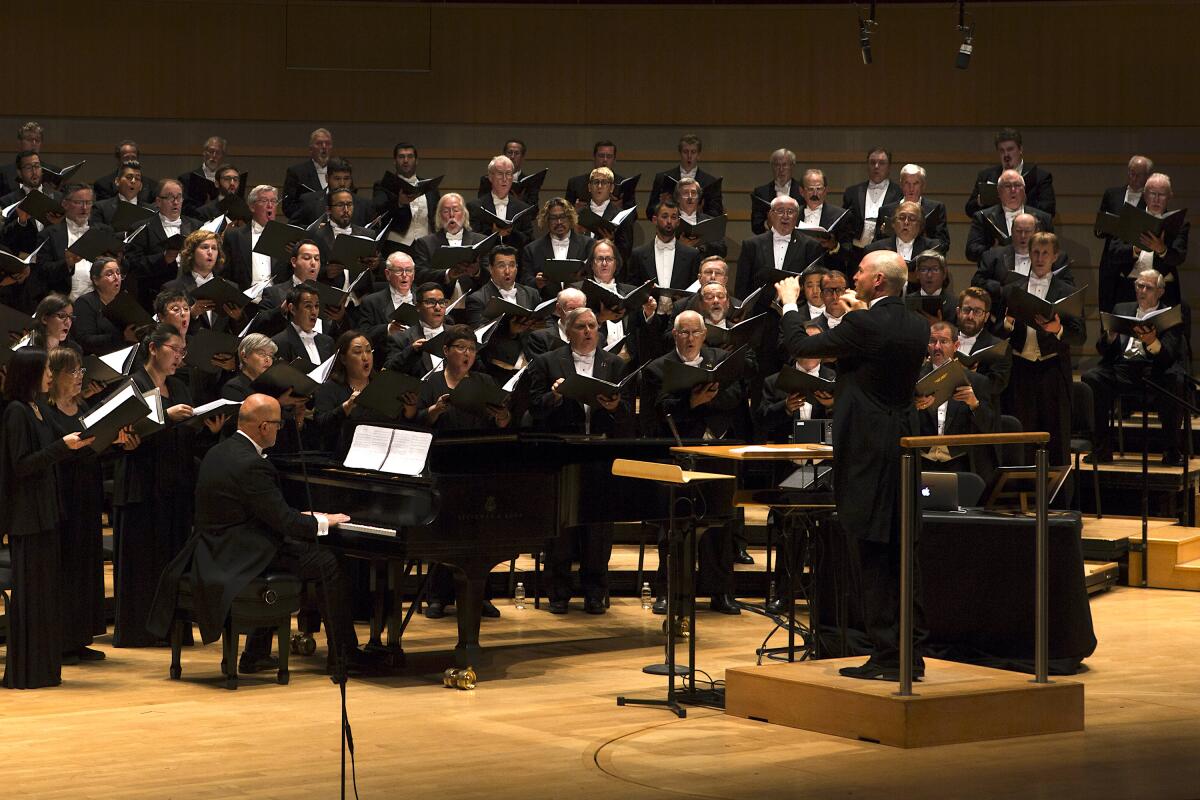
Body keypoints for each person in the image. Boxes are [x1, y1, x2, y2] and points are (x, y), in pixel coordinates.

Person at [775, 250, 930, 680]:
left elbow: (801, 345)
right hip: (901, 449)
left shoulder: (864, 325)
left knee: (872, 550)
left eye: (860, 271)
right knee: (902, 552)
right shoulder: (916, 324)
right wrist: (855, 315)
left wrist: (790, 303)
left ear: (878, 281)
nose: (853, 277)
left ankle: (885, 656)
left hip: (866, 452)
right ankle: (909, 654)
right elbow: (872, 352)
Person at [147, 393, 373, 673]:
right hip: (238, 555)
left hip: (211, 550)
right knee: (326, 561)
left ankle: (256, 652)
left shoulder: (220, 451)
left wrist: (297, 516)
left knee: (282, 548)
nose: (281, 429)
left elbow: (259, 511)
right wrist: (324, 522)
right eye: (278, 424)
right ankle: (344, 654)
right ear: (264, 427)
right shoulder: (253, 464)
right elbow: (284, 522)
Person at [112, 324, 223, 647]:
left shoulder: (179, 387)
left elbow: (184, 434)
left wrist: (207, 429)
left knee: (172, 558)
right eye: (174, 349)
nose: (179, 357)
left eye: (182, 351)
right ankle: (139, 631)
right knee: (142, 561)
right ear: (152, 348)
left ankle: (172, 629)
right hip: (141, 484)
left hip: (175, 484)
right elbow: (124, 432)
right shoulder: (133, 384)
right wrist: (165, 414)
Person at [641, 310, 749, 615]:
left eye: (695, 333)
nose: (690, 339)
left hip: (718, 451)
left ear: (705, 334)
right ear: (675, 335)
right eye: (684, 333)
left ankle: (721, 593)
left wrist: (708, 400)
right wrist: (691, 402)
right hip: (679, 452)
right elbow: (655, 413)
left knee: (721, 525)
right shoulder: (658, 369)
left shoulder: (721, 360)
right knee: (673, 527)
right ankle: (669, 592)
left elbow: (736, 394)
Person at [526, 307, 633, 613]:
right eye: (581, 326)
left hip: (600, 454)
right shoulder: (548, 362)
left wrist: (613, 407)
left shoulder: (613, 364)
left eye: (593, 326)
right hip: (563, 453)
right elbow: (533, 408)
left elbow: (627, 414)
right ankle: (558, 593)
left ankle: (595, 592)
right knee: (561, 527)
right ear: (568, 331)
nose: (588, 331)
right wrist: (555, 396)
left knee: (599, 528)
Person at [1, 347, 95, 688]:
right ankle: (26, 672)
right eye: (45, 371)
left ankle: (43, 667)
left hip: (46, 512)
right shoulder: (16, 412)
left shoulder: (37, 408)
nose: (50, 376)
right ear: (29, 374)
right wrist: (62, 447)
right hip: (27, 517)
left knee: (45, 596)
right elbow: (22, 464)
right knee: (30, 596)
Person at [40, 347, 137, 664]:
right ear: (54, 377)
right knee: (64, 568)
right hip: (60, 496)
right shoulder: (45, 411)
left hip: (87, 495)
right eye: (74, 372)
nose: (81, 377)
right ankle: (60, 640)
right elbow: (52, 455)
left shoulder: (84, 409)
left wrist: (119, 445)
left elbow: (96, 451)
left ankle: (79, 637)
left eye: (82, 371)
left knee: (86, 567)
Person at [995, 232, 1086, 467]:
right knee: (1020, 436)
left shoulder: (1067, 291)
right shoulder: (1011, 289)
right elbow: (997, 331)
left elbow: (1079, 335)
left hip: (1053, 371)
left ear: (1055, 256)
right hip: (1020, 369)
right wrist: (1008, 323)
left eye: (1045, 252)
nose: (1040, 257)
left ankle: (1056, 498)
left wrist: (1058, 329)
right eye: (1035, 252)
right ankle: (1021, 493)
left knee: (1055, 436)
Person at [1083, 269, 1189, 466]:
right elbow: (1103, 349)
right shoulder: (1121, 308)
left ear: (1160, 291)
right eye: (1139, 285)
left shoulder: (1171, 315)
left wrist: (1152, 342)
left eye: (1148, 287)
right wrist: (1110, 337)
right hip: (1124, 367)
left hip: (1156, 369)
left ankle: (1172, 450)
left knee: (1175, 380)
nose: (1142, 290)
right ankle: (1101, 448)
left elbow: (1169, 356)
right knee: (1092, 377)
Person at [916, 321, 997, 483]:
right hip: (921, 463)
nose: (937, 347)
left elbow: (991, 427)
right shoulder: (913, 379)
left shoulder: (977, 382)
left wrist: (974, 404)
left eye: (944, 341)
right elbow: (898, 421)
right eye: (932, 341)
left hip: (960, 464)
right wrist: (914, 407)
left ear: (956, 345)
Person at [1097, 172, 1188, 311]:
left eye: (1162, 194)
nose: (1156, 199)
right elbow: (1113, 253)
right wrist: (1135, 249)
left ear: (1170, 196)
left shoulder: (1178, 223)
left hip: (1163, 291)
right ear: (1144, 195)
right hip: (1129, 288)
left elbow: (1179, 257)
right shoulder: (1128, 218)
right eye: (1152, 194)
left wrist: (1161, 249)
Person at [313, 330, 416, 453]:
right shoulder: (329, 388)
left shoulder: (382, 386)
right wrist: (346, 407)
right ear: (343, 359)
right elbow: (319, 426)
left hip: (379, 454)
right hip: (340, 458)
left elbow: (396, 426)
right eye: (357, 352)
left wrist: (409, 411)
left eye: (368, 351)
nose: (365, 357)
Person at [417, 325, 512, 432]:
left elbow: (500, 425)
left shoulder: (485, 381)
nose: (467, 353)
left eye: (472, 348)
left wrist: (503, 416)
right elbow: (417, 422)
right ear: (446, 350)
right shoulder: (431, 381)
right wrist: (436, 409)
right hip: (442, 444)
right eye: (461, 347)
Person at [124, 178, 200, 308]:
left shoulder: (196, 226)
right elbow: (134, 266)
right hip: (154, 298)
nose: (175, 202)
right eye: (170, 198)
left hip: (191, 295)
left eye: (179, 197)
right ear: (158, 201)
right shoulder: (142, 228)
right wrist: (164, 258)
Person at [733, 195, 824, 303]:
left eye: (790, 212)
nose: (785, 216)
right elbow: (741, 285)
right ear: (771, 214)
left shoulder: (811, 246)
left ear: (797, 216)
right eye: (780, 211)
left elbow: (815, 283)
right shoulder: (751, 245)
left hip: (797, 311)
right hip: (759, 312)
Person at [964, 170, 1054, 263]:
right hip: (995, 274)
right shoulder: (982, 217)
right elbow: (971, 251)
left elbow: (1052, 250)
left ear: (1024, 190)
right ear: (999, 191)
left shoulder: (1044, 218)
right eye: (1007, 186)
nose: (1013, 190)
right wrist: (994, 251)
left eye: (1017, 185)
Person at [965, 127, 1056, 218]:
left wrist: (1024, 202)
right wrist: (980, 202)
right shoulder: (986, 176)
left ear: (1020, 149)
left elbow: (1049, 211)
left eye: (1010, 149)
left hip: (1027, 229)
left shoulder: (1040, 177)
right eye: (1002, 151)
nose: (1006, 155)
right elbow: (969, 210)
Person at [518, 197, 595, 299]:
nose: (559, 222)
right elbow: (524, 281)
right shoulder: (532, 249)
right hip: (546, 308)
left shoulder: (588, 244)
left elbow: (595, 277)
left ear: (570, 218)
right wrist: (536, 282)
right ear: (546, 220)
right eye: (553, 218)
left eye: (563, 217)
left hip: (580, 306)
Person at [371, 142, 439, 248]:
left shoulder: (430, 187)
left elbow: (437, 215)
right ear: (394, 161)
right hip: (396, 245)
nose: (406, 161)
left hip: (427, 246)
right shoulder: (384, 185)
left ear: (417, 161)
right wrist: (399, 203)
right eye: (401, 157)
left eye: (410, 156)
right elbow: (379, 211)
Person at [222, 185, 287, 290]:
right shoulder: (234, 236)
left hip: (276, 300)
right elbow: (226, 273)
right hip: (245, 301)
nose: (270, 205)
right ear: (252, 207)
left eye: (274, 201)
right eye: (264, 201)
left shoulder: (285, 236)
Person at [875, 164, 950, 255]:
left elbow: (944, 244)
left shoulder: (936, 208)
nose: (911, 188)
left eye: (916, 183)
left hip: (923, 262)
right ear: (901, 185)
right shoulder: (886, 211)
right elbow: (877, 244)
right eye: (907, 183)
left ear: (923, 185)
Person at [71, 257, 140, 355]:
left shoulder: (125, 301)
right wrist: (122, 337)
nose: (116, 277)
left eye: (118, 273)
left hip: (126, 354)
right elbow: (85, 341)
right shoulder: (85, 302)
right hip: (97, 359)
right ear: (96, 280)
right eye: (109, 274)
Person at [645, 133, 723, 219]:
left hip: (700, 230)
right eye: (685, 152)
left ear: (698, 155)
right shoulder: (662, 178)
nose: (689, 156)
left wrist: (698, 211)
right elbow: (650, 212)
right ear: (680, 154)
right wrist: (662, 205)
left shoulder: (710, 182)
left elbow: (717, 214)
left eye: (693, 152)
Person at [954, 286, 1012, 401]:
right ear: (958, 312)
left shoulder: (999, 348)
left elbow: (996, 386)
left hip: (978, 414)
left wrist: (965, 373)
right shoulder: (944, 340)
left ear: (986, 317)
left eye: (977, 312)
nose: (970, 316)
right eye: (966, 310)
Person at [467, 155, 534, 252]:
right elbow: (472, 239)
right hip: (485, 261)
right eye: (500, 174)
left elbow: (528, 241)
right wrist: (492, 233)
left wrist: (511, 233)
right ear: (490, 177)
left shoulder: (523, 208)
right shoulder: (475, 207)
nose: (504, 179)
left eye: (508, 174)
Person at [842, 147, 903, 254]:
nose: (876, 166)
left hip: (886, 252)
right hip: (855, 253)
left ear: (889, 167)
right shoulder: (852, 192)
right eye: (872, 162)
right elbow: (844, 224)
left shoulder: (899, 193)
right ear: (867, 165)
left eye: (882, 163)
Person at [355, 250, 417, 355]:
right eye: (398, 271)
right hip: (386, 360)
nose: (404, 275)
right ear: (387, 274)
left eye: (409, 270)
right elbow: (363, 335)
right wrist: (388, 329)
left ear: (414, 274)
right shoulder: (371, 302)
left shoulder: (423, 297)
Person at [630, 199, 701, 290]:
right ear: (655, 220)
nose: (669, 221)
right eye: (664, 216)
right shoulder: (638, 254)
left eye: (673, 217)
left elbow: (694, 291)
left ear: (678, 222)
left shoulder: (692, 255)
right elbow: (632, 289)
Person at [565, 140, 634, 209]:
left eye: (609, 156)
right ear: (594, 157)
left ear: (614, 159)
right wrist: (574, 210)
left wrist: (621, 209)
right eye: (601, 156)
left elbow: (633, 216)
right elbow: (565, 213)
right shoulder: (575, 183)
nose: (605, 160)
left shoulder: (626, 185)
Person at [750, 148, 804, 235]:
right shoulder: (761, 193)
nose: (781, 169)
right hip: (769, 241)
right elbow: (755, 226)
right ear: (772, 167)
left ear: (792, 166)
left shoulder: (803, 191)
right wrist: (768, 224)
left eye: (785, 165)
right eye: (777, 165)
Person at [282, 128, 333, 219]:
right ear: (310, 149)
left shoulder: (340, 172)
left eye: (327, 143)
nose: (324, 147)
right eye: (319, 143)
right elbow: (288, 207)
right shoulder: (297, 172)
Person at [91, 160, 152, 227]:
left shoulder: (151, 211)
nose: (133, 181)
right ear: (117, 181)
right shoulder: (100, 208)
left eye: (137, 178)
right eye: (129, 177)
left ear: (141, 186)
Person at [177, 136, 227, 216]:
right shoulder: (187, 179)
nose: (214, 156)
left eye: (218, 153)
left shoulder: (229, 181)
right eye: (211, 151)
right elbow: (183, 209)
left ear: (223, 156)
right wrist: (206, 208)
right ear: (204, 153)